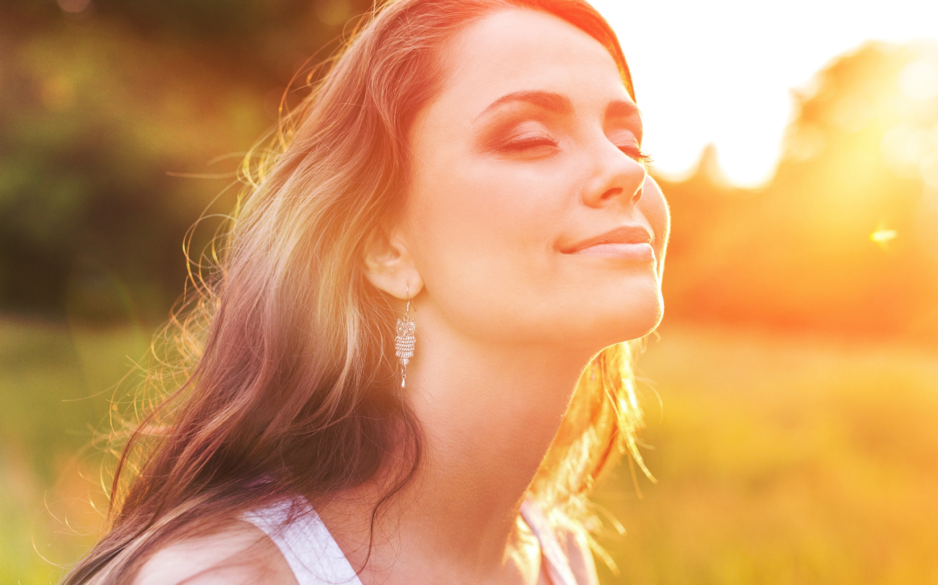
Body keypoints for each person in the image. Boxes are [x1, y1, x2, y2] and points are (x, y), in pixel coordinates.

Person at [63, 0, 669, 583]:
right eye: (531, 138)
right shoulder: (219, 577)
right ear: (386, 248)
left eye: (627, 141)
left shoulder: (554, 553)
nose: (628, 171)